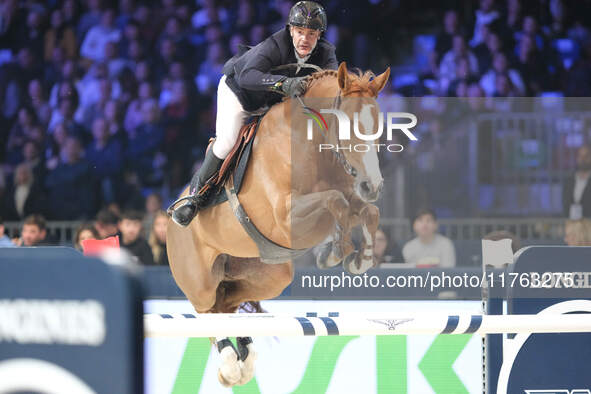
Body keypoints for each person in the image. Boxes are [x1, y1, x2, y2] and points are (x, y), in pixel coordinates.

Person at [171, 1, 338, 227]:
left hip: (273, 103)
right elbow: (246, 77)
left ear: (319, 34)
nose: (305, 39)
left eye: (311, 33)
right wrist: (284, 84)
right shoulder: (276, 44)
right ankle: (195, 197)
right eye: (300, 32)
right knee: (227, 141)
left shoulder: (326, 54)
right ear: (291, 30)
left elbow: (330, 87)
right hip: (240, 95)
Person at [563, 144, 591, 219]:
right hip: (571, 225)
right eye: (580, 156)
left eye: (586, 156)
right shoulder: (569, 181)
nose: (583, 159)